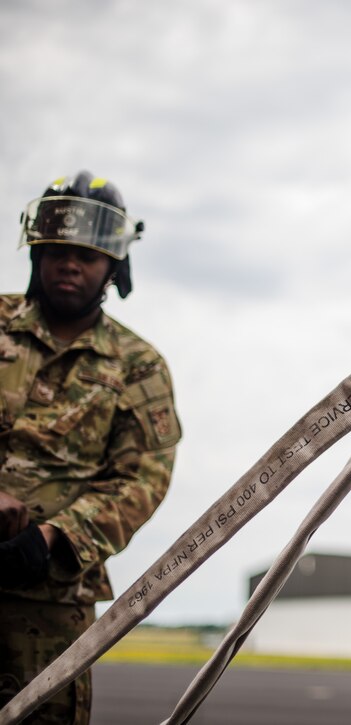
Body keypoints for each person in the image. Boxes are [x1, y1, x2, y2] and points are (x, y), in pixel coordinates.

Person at [0, 171, 181, 724]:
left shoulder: (136, 363)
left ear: (114, 267)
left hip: (49, 602)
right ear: (37, 254)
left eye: (89, 254)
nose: (70, 264)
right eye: (57, 250)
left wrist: (56, 537)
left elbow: (144, 476)